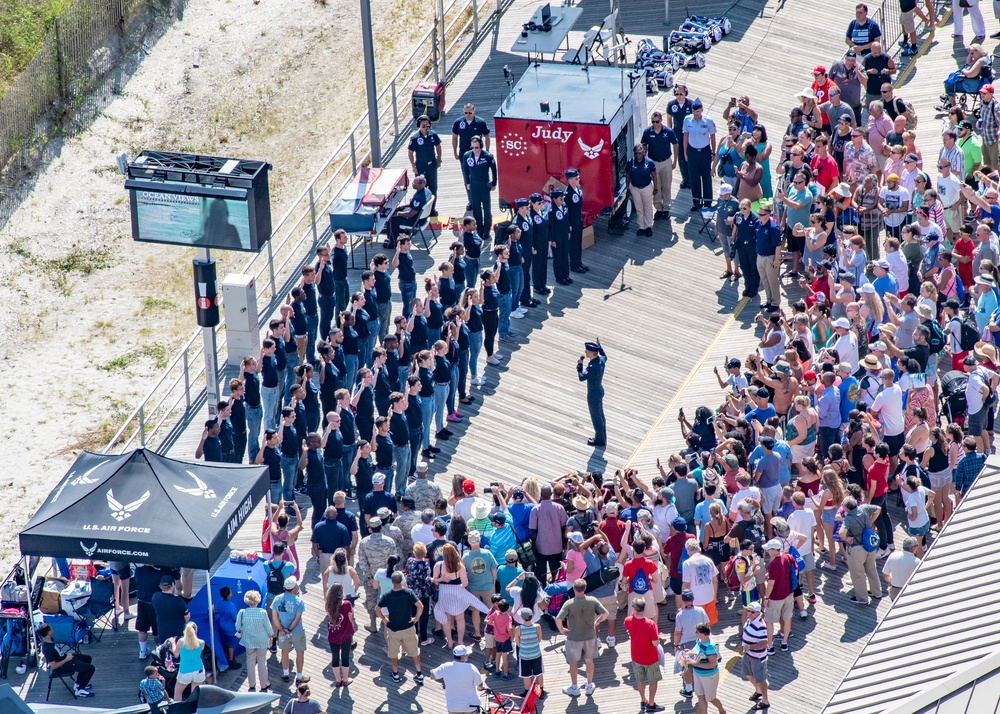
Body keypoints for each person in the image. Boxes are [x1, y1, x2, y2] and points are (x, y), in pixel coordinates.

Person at [555, 578, 608, 697]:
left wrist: (562, 630)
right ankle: (589, 686)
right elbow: (605, 614)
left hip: (574, 637)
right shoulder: (592, 600)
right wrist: (597, 622)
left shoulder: (569, 603)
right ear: (585, 588)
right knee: (589, 660)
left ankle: (574, 687)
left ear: (574, 589)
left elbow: (558, 619)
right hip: (590, 636)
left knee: (573, 662)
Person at [375, 571, 424, 684]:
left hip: (394, 629)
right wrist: (415, 619)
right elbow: (420, 606)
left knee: (393, 653)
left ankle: (396, 674)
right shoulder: (409, 592)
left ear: (392, 582)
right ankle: (419, 674)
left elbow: (377, 609)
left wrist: (385, 619)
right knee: (414, 651)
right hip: (408, 627)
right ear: (402, 580)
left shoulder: (388, 595)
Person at [623, 597, 663, 712]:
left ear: (634, 608)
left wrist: (632, 615)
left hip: (636, 657)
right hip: (650, 658)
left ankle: (643, 700)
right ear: (644, 608)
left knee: (639, 680)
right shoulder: (650, 624)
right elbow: (655, 643)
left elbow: (628, 624)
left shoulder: (628, 621)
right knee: (653, 681)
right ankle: (651, 703)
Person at [38, 622, 95, 698]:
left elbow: (58, 653)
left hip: (65, 658)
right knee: (91, 668)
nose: (52, 629)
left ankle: (79, 682)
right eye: (51, 628)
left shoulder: (51, 639)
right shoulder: (47, 648)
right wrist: (67, 659)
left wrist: (67, 657)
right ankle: (80, 690)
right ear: (48, 632)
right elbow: (54, 666)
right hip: (62, 666)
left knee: (87, 659)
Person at [271, 576, 310, 684]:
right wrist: (289, 629)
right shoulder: (299, 601)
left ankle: (286, 673)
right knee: (300, 653)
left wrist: (282, 630)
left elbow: (275, 618)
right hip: (297, 631)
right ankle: (299, 676)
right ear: (294, 588)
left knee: (284, 652)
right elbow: (297, 619)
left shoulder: (277, 599)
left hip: (283, 631)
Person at [683, 98, 718, 211]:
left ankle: (707, 202)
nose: (695, 114)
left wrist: (713, 152)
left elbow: (712, 136)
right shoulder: (687, 120)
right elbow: (685, 136)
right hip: (692, 151)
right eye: (693, 111)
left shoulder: (708, 121)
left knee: (706, 177)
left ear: (702, 110)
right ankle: (696, 203)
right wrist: (685, 152)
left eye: (697, 111)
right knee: (694, 178)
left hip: (704, 151)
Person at [642, 110, 678, 219]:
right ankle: (658, 208)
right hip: (653, 163)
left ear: (661, 121)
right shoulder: (647, 132)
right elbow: (644, 145)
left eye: (657, 122)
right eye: (653, 122)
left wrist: (675, 160)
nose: (655, 124)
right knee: (656, 187)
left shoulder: (668, 131)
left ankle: (666, 208)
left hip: (666, 161)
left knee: (666, 185)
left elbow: (676, 144)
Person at [235, 590, 272, 692]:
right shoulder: (262, 613)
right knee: (262, 661)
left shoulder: (242, 612)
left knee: (250, 662)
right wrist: (271, 637)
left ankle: (252, 684)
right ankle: (264, 684)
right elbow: (269, 628)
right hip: (261, 640)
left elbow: (237, 627)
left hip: (248, 640)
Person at [674, 589, 708, 700]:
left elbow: (677, 632)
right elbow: (707, 625)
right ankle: (703, 688)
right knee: (701, 664)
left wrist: (675, 645)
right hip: (701, 641)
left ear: (682, 601)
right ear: (693, 599)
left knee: (687, 666)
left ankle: (688, 690)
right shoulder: (701, 610)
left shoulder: (680, 615)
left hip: (686, 644)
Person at [430, 644, 483, 713]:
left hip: (453, 707)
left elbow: (432, 676)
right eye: (467, 655)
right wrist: (479, 688)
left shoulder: (446, 666)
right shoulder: (471, 667)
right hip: (471, 706)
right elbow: (480, 684)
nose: (468, 656)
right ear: (462, 657)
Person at [577, 339, 607, 446]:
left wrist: (579, 366)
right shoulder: (601, 361)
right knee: (601, 415)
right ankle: (602, 436)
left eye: (587, 351)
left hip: (593, 394)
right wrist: (599, 346)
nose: (586, 353)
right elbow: (604, 355)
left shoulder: (592, 367)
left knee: (596, 417)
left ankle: (599, 439)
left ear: (592, 353)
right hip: (599, 390)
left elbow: (581, 377)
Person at [741, 600, 770, 710]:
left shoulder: (760, 626)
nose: (749, 613)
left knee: (761, 679)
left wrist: (750, 647)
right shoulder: (749, 620)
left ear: (758, 613)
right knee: (747, 673)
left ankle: (765, 700)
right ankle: (759, 691)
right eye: (748, 611)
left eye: (752, 612)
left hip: (757, 657)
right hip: (748, 654)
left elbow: (763, 643)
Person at [627, 144, 658, 236]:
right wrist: (627, 186)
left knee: (648, 207)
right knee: (639, 208)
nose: (637, 155)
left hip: (646, 188)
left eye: (639, 153)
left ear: (643, 153)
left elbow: (654, 176)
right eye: (636, 153)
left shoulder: (649, 162)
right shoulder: (630, 162)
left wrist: (655, 188)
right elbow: (628, 174)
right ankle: (641, 227)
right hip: (635, 188)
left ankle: (648, 226)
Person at [171, 621, 206, 702]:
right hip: (198, 670)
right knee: (195, 694)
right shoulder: (201, 642)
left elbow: (176, 654)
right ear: (196, 630)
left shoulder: (180, 642)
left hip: (185, 671)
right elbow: (201, 649)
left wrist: (173, 643)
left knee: (178, 693)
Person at [151, 575, 189, 644]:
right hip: (177, 634)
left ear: (161, 585)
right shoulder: (178, 600)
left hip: (162, 634)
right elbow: (187, 617)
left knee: (163, 652)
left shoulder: (155, 596)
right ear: (172, 584)